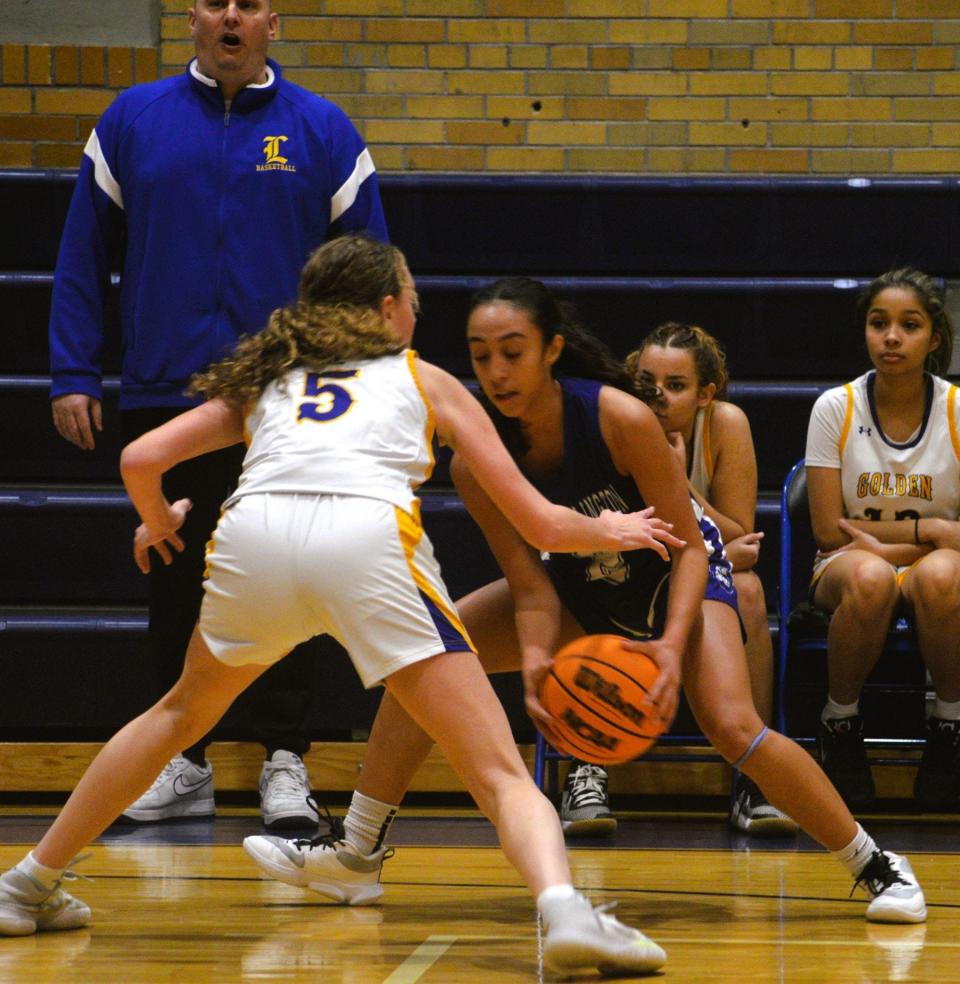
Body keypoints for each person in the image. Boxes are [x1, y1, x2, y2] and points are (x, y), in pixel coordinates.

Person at [1, 237, 682, 976]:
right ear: (389, 309)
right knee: (499, 774)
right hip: (366, 541)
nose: (417, 309)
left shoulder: (270, 379)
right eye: (413, 297)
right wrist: (607, 528)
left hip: (253, 535)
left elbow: (140, 460)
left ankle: (24, 884)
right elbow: (542, 523)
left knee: (178, 713)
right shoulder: (426, 379)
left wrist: (159, 521)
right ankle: (566, 913)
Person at [244, 276, 927, 926]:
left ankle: (876, 864)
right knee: (429, 654)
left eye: (514, 353)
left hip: (673, 576)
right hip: (579, 586)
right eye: (482, 357)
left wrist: (666, 646)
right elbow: (533, 583)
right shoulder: (477, 457)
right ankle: (357, 855)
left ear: (552, 350)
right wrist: (539, 657)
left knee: (730, 724)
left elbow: (691, 545)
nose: (498, 372)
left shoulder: (619, 418)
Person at [48, 0, 387, 829]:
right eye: (213, 3)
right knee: (174, 581)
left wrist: (361, 380)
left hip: (291, 404)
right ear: (190, 21)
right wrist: (72, 371)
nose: (230, 17)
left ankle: (284, 761)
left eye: (249, 5)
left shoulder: (324, 130)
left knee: (292, 579)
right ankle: (184, 759)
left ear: (276, 23)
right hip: (169, 393)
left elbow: (369, 272)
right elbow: (83, 253)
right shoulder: (132, 121)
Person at [625, 322, 796, 836]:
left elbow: (742, 533)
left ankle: (752, 775)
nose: (657, 396)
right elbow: (730, 545)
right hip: (625, 569)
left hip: (693, 573)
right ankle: (585, 767)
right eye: (647, 381)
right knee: (595, 590)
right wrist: (717, 546)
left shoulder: (726, 425)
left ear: (705, 394)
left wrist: (674, 483)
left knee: (748, 590)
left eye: (675, 386)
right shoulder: (619, 419)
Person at [805, 267, 960, 811]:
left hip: (933, 567)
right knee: (872, 578)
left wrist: (889, 543)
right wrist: (935, 530)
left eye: (909, 325)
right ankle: (840, 722)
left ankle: (949, 726)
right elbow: (828, 530)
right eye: (879, 323)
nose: (891, 337)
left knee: (944, 576)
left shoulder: (958, 410)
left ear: (934, 338)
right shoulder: (834, 407)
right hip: (845, 565)